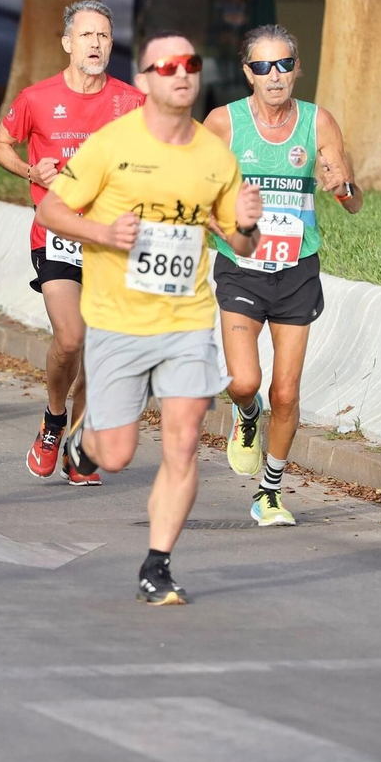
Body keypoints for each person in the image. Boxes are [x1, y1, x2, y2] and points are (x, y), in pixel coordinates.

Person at [45, 33, 263, 605]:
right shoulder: (110, 146)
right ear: (143, 80)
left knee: (185, 439)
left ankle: (158, 564)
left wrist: (247, 223)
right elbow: (51, 208)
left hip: (186, 320)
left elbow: (239, 243)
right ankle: (83, 444)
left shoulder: (216, 156)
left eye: (191, 63)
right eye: (166, 66)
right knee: (115, 456)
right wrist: (101, 232)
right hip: (118, 321)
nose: (181, 74)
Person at [203, 24, 362, 527]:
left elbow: (353, 202)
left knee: (287, 393)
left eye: (284, 65)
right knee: (246, 381)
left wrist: (342, 187)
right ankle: (245, 416)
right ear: (247, 72)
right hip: (240, 268)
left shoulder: (318, 123)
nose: (276, 76)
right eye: (264, 66)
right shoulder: (223, 123)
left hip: (296, 269)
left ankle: (269, 492)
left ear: (297, 68)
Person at [0, 0, 144, 484]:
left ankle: (77, 446)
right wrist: (30, 170)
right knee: (71, 338)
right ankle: (54, 418)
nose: (95, 44)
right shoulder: (37, 98)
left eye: (103, 36)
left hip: (110, 238)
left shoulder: (132, 102)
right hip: (55, 233)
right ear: (67, 43)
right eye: (86, 35)